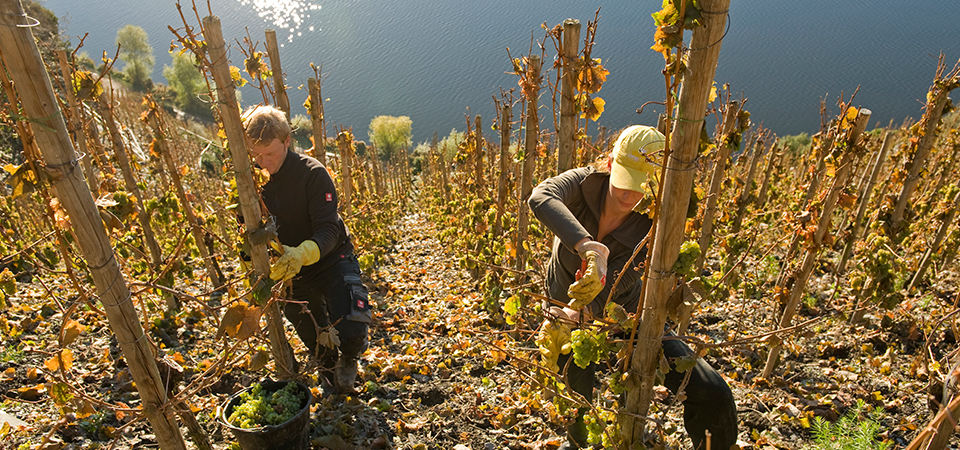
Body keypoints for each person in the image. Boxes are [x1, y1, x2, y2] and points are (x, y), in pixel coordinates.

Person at [528, 125, 738, 449]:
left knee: (712, 392)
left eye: (641, 187)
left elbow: (626, 278)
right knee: (577, 407)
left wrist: (590, 310)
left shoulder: (654, 222)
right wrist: (588, 245)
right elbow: (541, 197)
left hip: (628, 315)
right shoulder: (582, 183)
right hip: (564, 315)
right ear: (610, 163)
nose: (629, 196)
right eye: (625, 182)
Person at [242, 105, 371, 394]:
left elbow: (329, 229)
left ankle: (349, 357)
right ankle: (328, 368)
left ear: (287, 141)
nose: (263, 163)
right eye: (256, 155)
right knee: (314, 336)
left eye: (270, 153)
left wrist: (302, 253)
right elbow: (248, 235)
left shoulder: (312, 174)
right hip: (291, 271)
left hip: (330, 260)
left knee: (351, 327)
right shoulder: (251, 186)